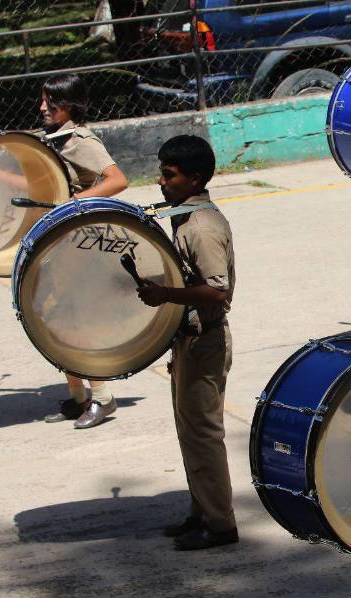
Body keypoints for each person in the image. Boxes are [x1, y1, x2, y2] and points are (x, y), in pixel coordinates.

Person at [137, 135, 238, 551]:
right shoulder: (185, 216)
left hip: (205, 342)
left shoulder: (202, 228)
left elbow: (217, 290)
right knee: (190, 432)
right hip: (188, 341)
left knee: (204, 434)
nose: (161, 182)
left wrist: (165, 295)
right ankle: (202, 512)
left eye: (169, 175)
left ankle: (221, 525)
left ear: (195, 179)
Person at [33, 74, 129, 429]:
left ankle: (101, 397)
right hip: (56, 244)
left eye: (50, 101)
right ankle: (77, 397)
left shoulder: (80, 140)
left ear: (68, 104)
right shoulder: (53, 139)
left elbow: (117, 179)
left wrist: (74, 202)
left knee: (74, 320)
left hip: (77, 244)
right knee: (52, 316)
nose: (42, 107)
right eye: (42, 100)